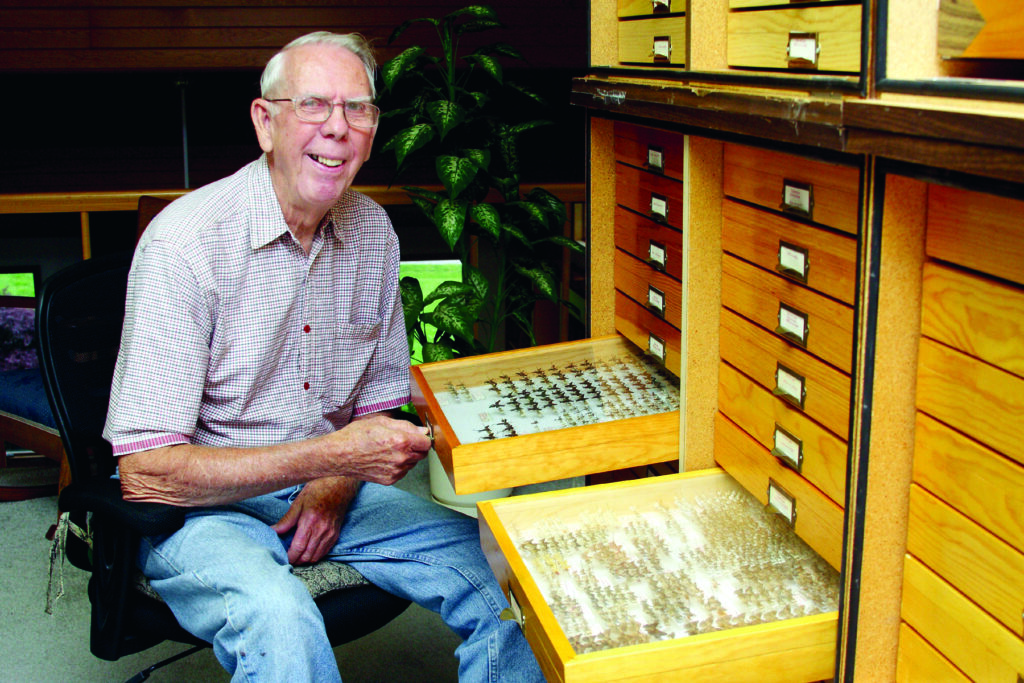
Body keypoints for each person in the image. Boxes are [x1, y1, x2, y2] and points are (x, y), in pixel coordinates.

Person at [102, 31, 544, 683]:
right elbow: (145, 473)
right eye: (313, 104)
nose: (337, 128)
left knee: (513, 580)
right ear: (265, 122)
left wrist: (335, 484)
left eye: (358, 108)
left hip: (327, 485)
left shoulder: (372, 233)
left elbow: (377, 402)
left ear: (372, 130)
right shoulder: (185, 245)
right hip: (200, 507)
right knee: (281, 616)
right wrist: (331, 456)